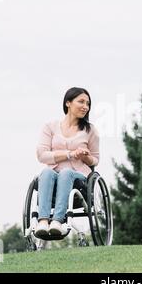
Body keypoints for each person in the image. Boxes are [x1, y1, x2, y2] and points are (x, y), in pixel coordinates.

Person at [34, 87, 99, 237]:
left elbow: (95, 159)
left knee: (66, 173)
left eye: (88, 104)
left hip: (78, 177)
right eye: (81, 102)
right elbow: (42, 155)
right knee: (46, 172)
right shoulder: (50, 127)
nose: (85, 107)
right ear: (68, 103)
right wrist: (70, 154)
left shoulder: (90, 131)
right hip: (52, 175)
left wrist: (85, 157)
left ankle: (57, 221)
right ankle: (43, 221)